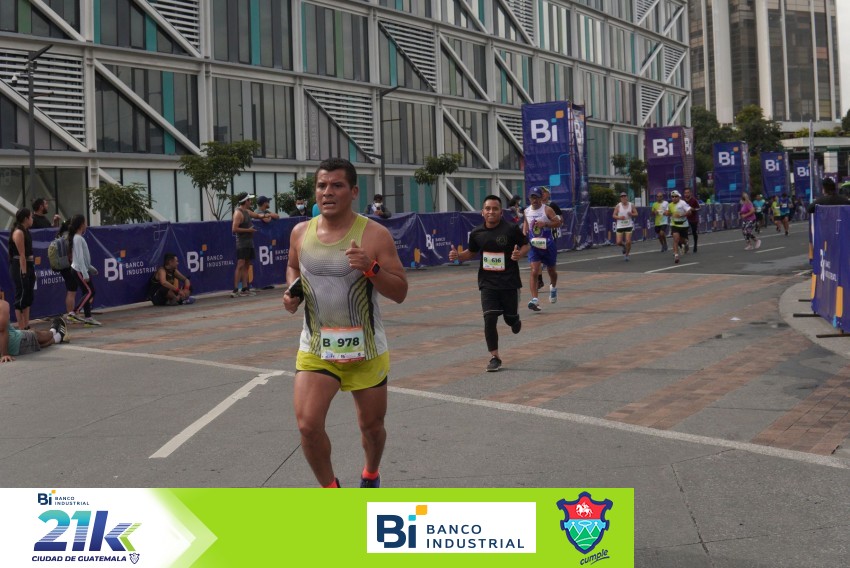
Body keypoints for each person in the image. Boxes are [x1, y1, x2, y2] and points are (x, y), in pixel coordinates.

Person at [282, 157, 408, 489]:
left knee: (372, 428)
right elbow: (294, 267)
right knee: (308, 426)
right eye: (322, 185)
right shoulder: (300, 232)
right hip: (317, 348)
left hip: (366, 350)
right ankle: (332, 492)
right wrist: (293, 292)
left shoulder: (375, 235)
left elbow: (400, 291)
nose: (328, 192)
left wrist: (371, 268)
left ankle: (371, 473)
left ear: (353, 192)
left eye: (337, 185)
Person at [448, 195, 529, 372]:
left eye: (495, 209)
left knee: (509, 319)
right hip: (487, 283)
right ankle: (494, 357)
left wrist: (519, 254)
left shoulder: (511, 229)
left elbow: (526, 245)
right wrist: (458, 256)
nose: (491, 212)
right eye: (488, 209)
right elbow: (472, 252)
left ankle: (514, 320)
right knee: (489, 318)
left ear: (501, 212)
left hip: (509, 283)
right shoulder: (477, 233)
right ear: (482, 212)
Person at [523, 188, 560, 310]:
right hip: (534, 245)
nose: (534, 200)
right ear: (529, 198)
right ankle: (535, 299)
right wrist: (523, 236)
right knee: (534, 271)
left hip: (548, 245)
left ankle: (553, 287)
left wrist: (545, 224)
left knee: (551, 271)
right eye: (532, 197)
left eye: (537, 197)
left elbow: (558, 223)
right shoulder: (526, 211)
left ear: (541, 198)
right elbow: (526, 224)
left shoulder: (547, 209)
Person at [0, 301, 67, 363]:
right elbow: (3, 330)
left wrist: (4, 354)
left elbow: (3, 330)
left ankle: (55, 333)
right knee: (36, 338)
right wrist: (4, 354)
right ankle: (55, 334)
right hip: (15, 342)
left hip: (13, 340)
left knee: (37, 339)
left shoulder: (2, 305)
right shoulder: (2, 305)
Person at [68, 214, 101, 326]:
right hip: (79, 270)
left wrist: (90, 268)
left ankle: (88, 318)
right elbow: (80, 258)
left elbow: (83, 258)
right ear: (81, 225)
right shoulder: (78, 238)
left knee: (86, 292)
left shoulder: (78, 238)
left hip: (80, 270)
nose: (86, 225)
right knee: (90, 291)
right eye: (85, 223)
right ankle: (74, 312)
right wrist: (85, 273)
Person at [230, 192, 265, 298]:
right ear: (246, 201)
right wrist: (248, 230)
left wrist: (269, 215)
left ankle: (245, 288)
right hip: (241, 243)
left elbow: (257, 215)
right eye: (249, 200)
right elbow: (234, 229)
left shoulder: (247, 211)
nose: (251, 202)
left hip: (249, 242)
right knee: (240, 264)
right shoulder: (238, 213)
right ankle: (235, 290)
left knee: (247, 265)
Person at [9, 209, 35, 330]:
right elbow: (22, 255)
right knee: (21, 295)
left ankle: (26, 325)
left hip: (29, 265)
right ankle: (21, 327)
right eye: (31, 217)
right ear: (25, 219)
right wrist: (24, 274)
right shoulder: (18, 232)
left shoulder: (26, 231)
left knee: (28, 296)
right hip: (20, 266)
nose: (32, 219)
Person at [55, 219, 80, 323]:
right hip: (70, 266)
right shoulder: (69, 237)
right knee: (71, 291)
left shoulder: (60, 235)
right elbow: (71, 253)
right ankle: (70, 315)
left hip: (63, 266)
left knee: (71, 290)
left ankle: (71, 314)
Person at [538, 187, 562, 288]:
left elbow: (560, 220)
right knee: (538, 258)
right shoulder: (536, 206)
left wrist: (549, 222)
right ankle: (539, 280)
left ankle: (553, 282)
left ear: (548, 194)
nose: (543, 194)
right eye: (541, 192)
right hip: (538, 236)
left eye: (544, 192)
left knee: (550, 262)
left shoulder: (552, 205)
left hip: (551, 235)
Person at [666, 190, 691, 264]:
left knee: (682, 240)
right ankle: (676, 256)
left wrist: (681, 215)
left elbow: (689, 212)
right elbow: (668, 212)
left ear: (679, 197)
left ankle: (686, 244)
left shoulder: (683, 203)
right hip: (674, 224)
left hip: (683, 224)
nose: (674, 198)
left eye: (676, 196)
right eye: (672, 197)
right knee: (676, 239)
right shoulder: (670, 205)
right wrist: (666, 213)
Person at [613, 192, 638, 261]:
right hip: (620, 226)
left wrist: (631, 214)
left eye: (624, 196)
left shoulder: (631, 205)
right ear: (620, 198)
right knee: (618, 242)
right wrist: (619, 217)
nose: (623, 198)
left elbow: (636, 214)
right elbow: (614, 215)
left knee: (628, 241)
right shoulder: (618, 206)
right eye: (622, 197)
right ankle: (624, 246)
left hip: (628, 225)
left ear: (627, 197)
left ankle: (626, 255)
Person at [683, 188, 700, 252]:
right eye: (685, 193)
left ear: (690, 193)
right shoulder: (682, 201)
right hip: (685, 219)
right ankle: (686, 244)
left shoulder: (694, 200)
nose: (686, 194)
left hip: (693, 219)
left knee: (694, 232)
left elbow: (699, 208)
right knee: (684, 233)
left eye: (688, 193)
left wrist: (693, 209)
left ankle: (695, 245)